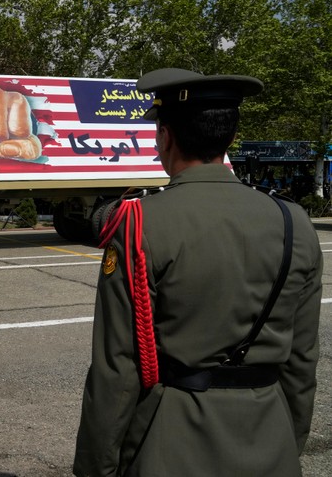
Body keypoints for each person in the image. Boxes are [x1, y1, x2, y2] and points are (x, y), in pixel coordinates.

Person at [73, 68, 323, 476]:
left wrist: (94, 469)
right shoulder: (294, 221)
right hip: (269, 435)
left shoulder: (141, 224)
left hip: (171, 444)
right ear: (229, 137)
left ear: (165, 136)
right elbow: (301, 361)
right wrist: (286, 443)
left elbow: (117, 369)